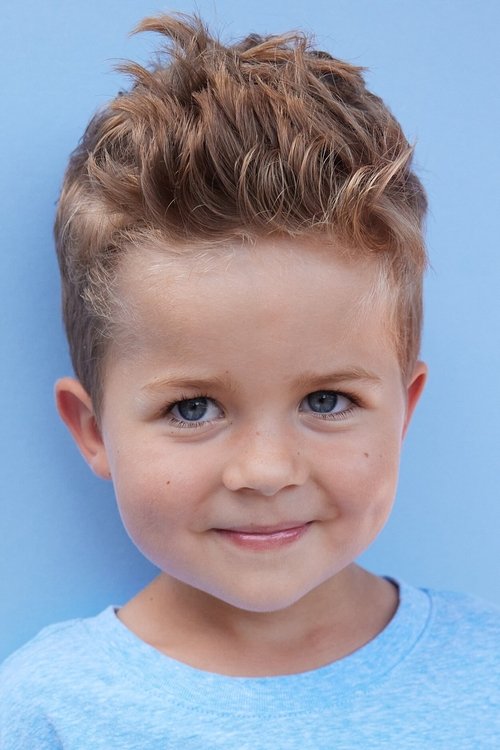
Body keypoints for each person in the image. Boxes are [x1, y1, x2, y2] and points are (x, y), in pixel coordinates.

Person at [1, 12, 499, 748]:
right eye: (192, 408)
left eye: (327, 400)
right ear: (93, 429)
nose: (265, 472)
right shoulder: (47, 713)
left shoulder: (486, 677)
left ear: (404, 408)